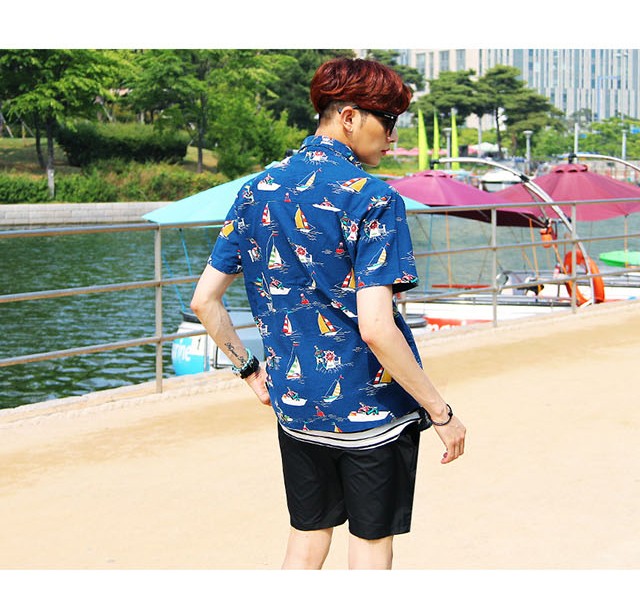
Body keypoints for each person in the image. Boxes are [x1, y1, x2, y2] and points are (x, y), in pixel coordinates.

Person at [190, 57, 466, 570]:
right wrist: (440, 411)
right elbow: (376, 327)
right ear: (349, 117)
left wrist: (249, 371)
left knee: (306, 540)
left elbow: (204, 301)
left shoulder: (256, 190)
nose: (393, 138)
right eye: (388, 121)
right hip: (372, 414)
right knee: (370, 547)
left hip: (296, 408)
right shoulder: (373, 197)